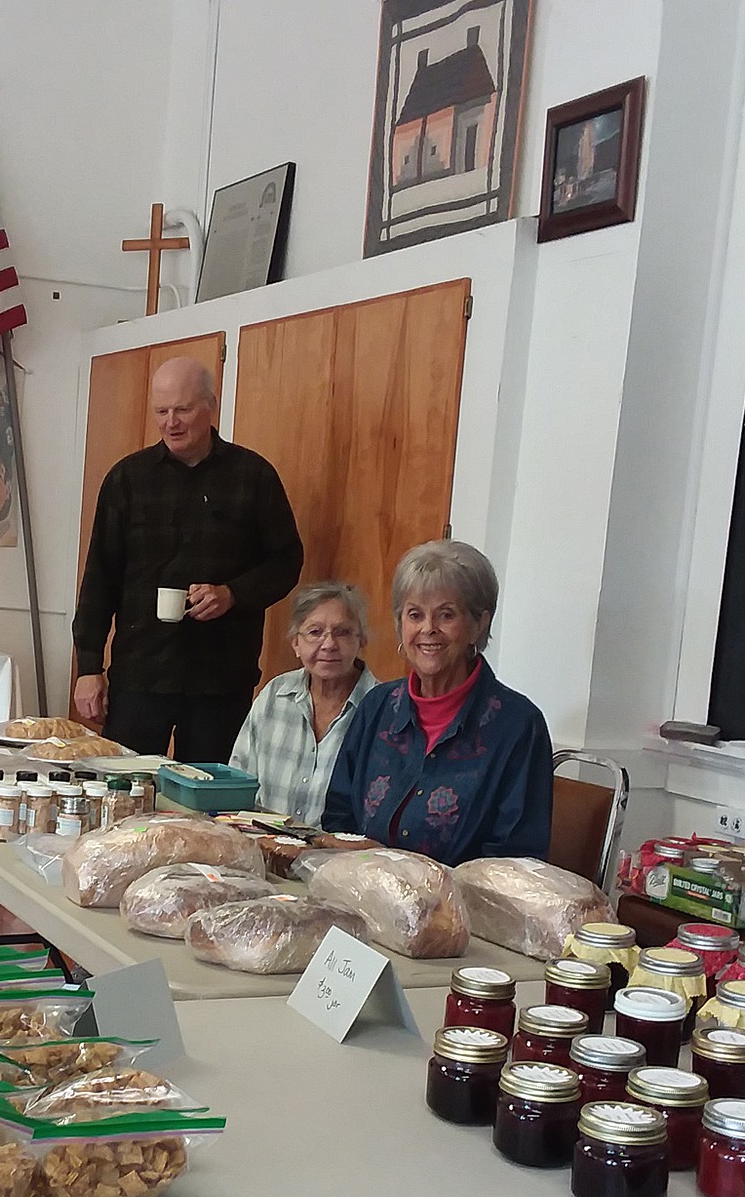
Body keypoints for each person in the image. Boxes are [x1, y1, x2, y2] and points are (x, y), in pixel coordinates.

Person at [72, 356, 303, 760]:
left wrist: (233, 594)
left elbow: (287, 561)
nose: (170, 422)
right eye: (161, 411)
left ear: (210, 406)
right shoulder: (128, 479)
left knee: (209, 802)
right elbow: (99, 579)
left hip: (221, 680)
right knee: (124, 790)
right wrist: (88, 667)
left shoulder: (253, 476)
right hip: (140, 675)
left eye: (182, 409)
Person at [322, 539, 552, 861]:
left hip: (459, 908)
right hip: (360, 892)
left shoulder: (518, 726)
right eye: (415, 615)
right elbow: (338, 817)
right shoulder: (377, 708)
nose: (428, 629)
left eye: (446, 615)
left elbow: (512, 861)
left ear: (478, 625)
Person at [229, 581, 379, 824]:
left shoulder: (383, 708)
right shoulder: (275, 695)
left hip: (342, 857)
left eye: (342, 632)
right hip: (264, 846)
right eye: (315, 632)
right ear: (296, 644)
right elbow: (238, 783)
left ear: (361, 641)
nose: (328, 644)